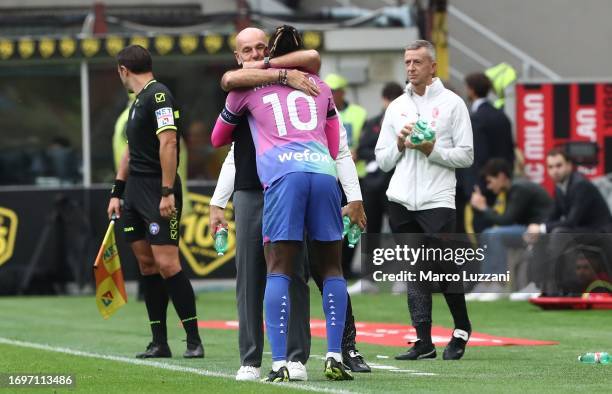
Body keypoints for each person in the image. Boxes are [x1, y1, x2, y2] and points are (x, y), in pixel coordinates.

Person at [209, 26, 369, 382]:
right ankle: (251, 359)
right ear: (238, 56)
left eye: (261, 48)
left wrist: (355, 196)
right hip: (257, 187)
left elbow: (219, 138)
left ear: (270, 50)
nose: (254, 54)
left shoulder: (257, 90)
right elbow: (233, 155)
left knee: (291, 270)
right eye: (247, 50)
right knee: (254, 273)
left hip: (282, 179)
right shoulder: (250, 85)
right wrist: (218, 202)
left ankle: (293, 357)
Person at [375, 39, 474, 361]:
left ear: (433, 66)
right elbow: (383, 159)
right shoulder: (395, 107)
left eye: (417, 62)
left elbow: (467, 156)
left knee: (442, 269)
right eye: (407, 62)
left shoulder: (453, 104)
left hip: (438, 200)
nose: (411, 68)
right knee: (414, 271)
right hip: (400, 199)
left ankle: (461, 329)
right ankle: (424, 341)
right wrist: (400, 145)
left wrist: (434, 151)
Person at [106, 45, 203, 359]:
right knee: (147, 266)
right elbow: (130, 151)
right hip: (134, 192)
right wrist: (117, 193)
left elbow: (169, 141)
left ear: (123, 70)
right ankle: (159, 342)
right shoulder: (136, 103)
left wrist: (166, 192)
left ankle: (193, 340)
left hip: (156, 191)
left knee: (167, 264)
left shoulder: (158, 95)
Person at [524, 147, 612, 295]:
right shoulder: (560, 187)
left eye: (559, 165)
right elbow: (553, 216)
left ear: (569, 165)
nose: (555, 171)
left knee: (560, 233)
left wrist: (542, 228)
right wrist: (538, 229)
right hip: (582, 231)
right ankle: (540, 286)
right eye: (551, 167)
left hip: (602, 234)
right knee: (545, 234)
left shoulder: (580, 185)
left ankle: (568, 288)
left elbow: (571, 221)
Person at [467, 158, 553, 301]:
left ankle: (499, 284)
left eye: (490, 181)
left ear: (501, 176)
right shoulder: (512, 190)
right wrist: (482, 209)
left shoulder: (519, 188)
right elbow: (506, 220)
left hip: (541, 230)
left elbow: (506, 220)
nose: (489, 187)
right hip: (528, 229)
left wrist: (483, 208)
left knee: (494, 234)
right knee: (487, 234)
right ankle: (486, 282)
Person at [349, 82, 404, 295]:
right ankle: (367, 278)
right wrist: (376, 155)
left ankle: (403, 277)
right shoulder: (372, 123)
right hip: (372, 186)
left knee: (399, 230)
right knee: (370, 231)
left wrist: (379, 154)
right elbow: (362, 148)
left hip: (395, 184)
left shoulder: (405, 122)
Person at [457, 72, 514, 233]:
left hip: (481, 184)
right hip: (502, 181)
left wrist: (474, 188)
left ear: (471, 90)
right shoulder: (502, 116)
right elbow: (509, 150)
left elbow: (477, 156)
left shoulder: (476, 119)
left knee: (480, 227)